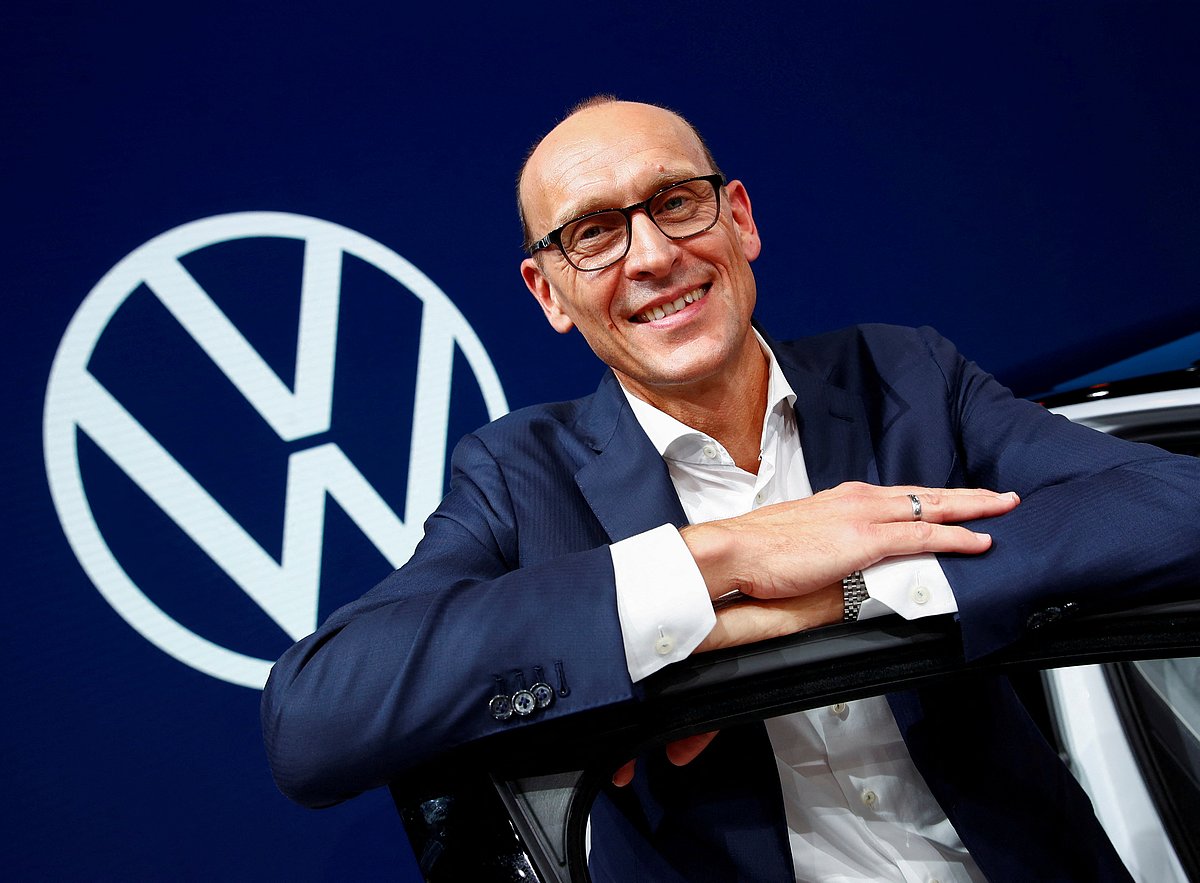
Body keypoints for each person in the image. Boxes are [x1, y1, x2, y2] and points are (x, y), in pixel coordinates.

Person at [262, 97, 1200, 881]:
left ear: (739, 218)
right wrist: (718, 562)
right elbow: (316, 717)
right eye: (593, 233)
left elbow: (1174, 503)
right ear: (549, 293)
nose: (653, 256)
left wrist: (855, 593)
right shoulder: (521, 478)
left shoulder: (906, 376)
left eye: (675, 202)